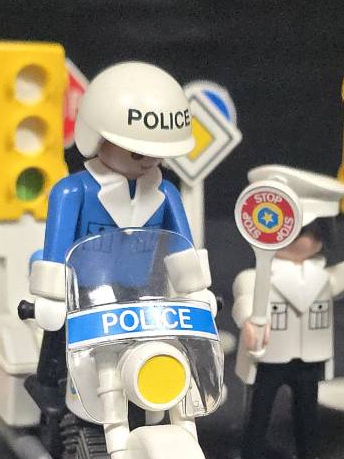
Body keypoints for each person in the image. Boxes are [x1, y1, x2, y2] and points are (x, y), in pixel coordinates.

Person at [28, 61, 212, 389]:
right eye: (137, 152)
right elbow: (56, 252)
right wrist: (51, 298)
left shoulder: (165, 193)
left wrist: (196, 290)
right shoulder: (72, 192)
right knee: (55, 363)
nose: (149, 161)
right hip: (80, 297)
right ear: (96, 137)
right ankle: (50, 396)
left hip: (140, 299)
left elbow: (182, 248)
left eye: (157, 153)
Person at [231, 166, 344, 459]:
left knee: (307, 410)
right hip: (269, 356)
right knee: (259, 411)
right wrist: (249, 321)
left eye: (316, 232)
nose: (307, 241)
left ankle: (307, 455)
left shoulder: (321, 276)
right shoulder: (258, 274)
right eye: (299, 231)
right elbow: (245, 297)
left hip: (309, 357)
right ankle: (250, 457)